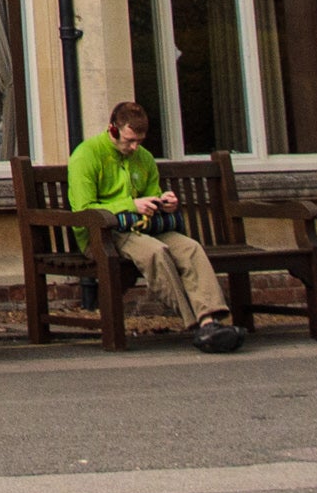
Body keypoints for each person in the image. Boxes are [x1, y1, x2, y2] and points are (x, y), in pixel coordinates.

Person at [68, 99, 244, 352]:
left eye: (139, 141)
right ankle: (197, 325)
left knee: (190, 248)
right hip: (104, 234)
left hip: (145, 228)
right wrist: (130, 205)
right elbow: (84, 209)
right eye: (129, 140)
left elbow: (151, 194)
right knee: (156, 252)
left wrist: (164, 202)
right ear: (112, 129)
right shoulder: (86, 155)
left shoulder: (144, 158)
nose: (134, 147)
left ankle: (210, 322)